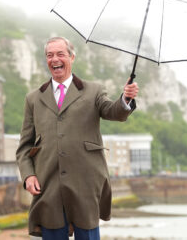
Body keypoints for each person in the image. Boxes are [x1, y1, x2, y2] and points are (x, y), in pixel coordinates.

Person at [16, 36, 139, 240]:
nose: (55, 59)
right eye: (50, 55)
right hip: (49, 184)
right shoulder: (33, 98)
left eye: (60, 54)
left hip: (86, 182)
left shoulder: (94, 91)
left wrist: (126, 98)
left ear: (72, 57)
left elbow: (113, 112)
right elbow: (24, 146)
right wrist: (28, 175)